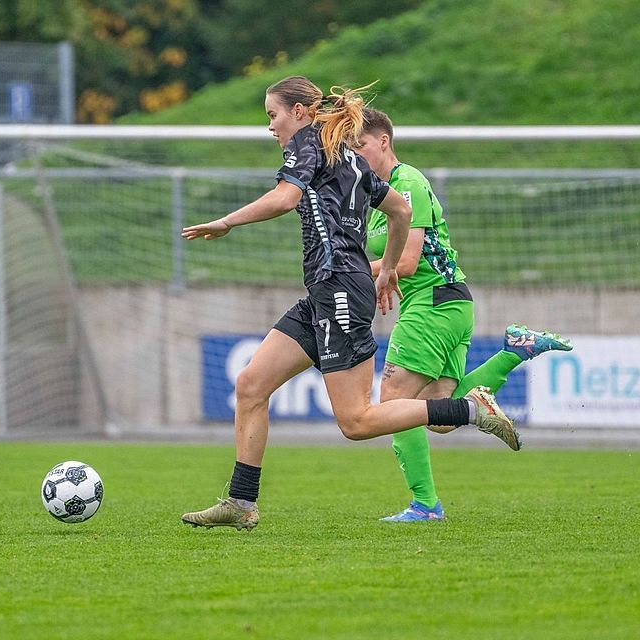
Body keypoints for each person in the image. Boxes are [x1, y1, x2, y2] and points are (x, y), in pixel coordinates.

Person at [179, 76, 518, 530]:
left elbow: (285, 198)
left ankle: (472, 409)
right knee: (251, 385)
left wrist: (226, 222)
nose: (270, 126)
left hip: (340, 288)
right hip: (326, 290)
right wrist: (391, 267)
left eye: (272, 115)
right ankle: (241, 502)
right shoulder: (346, 159)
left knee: (356, 422)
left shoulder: (308, 146)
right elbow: (399, 211)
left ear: (299, 113)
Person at [352, 108, 572, 522]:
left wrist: (352, 276)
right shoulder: (377, 194)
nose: (356, 154)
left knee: (394, 402)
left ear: (384, 141)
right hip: (448, 304)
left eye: (360, 145)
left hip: (434, 302)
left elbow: (410, 261)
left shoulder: (407, 183)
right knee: (442, 415)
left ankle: (425, 505)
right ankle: (514, 351)